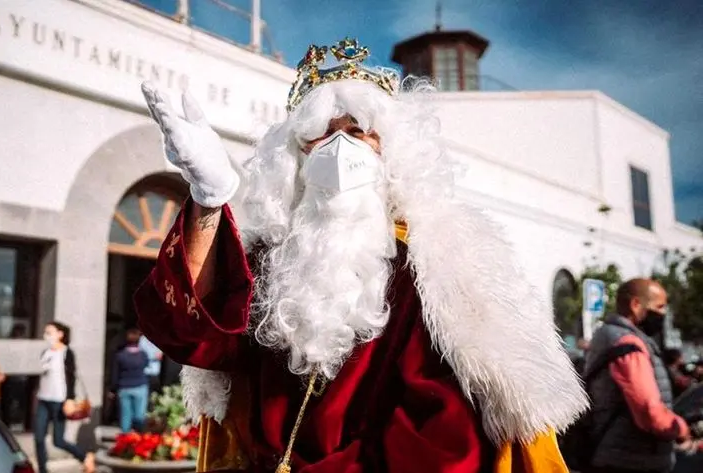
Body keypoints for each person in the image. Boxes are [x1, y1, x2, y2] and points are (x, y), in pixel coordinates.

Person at [134, 37, 587, 473]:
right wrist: (210, 200)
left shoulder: (438, 265)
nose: (338, 148)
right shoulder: (271, 260)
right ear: (295, 153)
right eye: (321, 135)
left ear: (391, 152)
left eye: (357, 133)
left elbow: (449, 435)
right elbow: (194, 336)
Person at [584, 279, 700, 473]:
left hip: (616, 453)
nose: (663, 314)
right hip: (631, 460)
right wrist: (681, 429)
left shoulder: (607, 336)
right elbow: (648, 410)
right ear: (636, 305)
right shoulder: (628, 344)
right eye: (659, 307)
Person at [34, 322, 94, 473]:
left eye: (50, 332)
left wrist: (70, 399)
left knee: (58, 441)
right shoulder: (45, 352)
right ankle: (42, 470)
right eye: (45, 333)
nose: (46, 336)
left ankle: (84, 457)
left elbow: (71, 377)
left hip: (59, 400)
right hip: (43, 399)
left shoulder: (67, 353)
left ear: (60, 334)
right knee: (39, 437)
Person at [110, 327, 150, 432]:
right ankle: (138, 440)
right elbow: (146, 365)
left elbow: (115, 374)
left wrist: (112, 389)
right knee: (139, 416)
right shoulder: (143, 355)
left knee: (125, 416)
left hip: (124, 387)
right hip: (140, 386)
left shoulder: (120, 356)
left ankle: (125, 442)